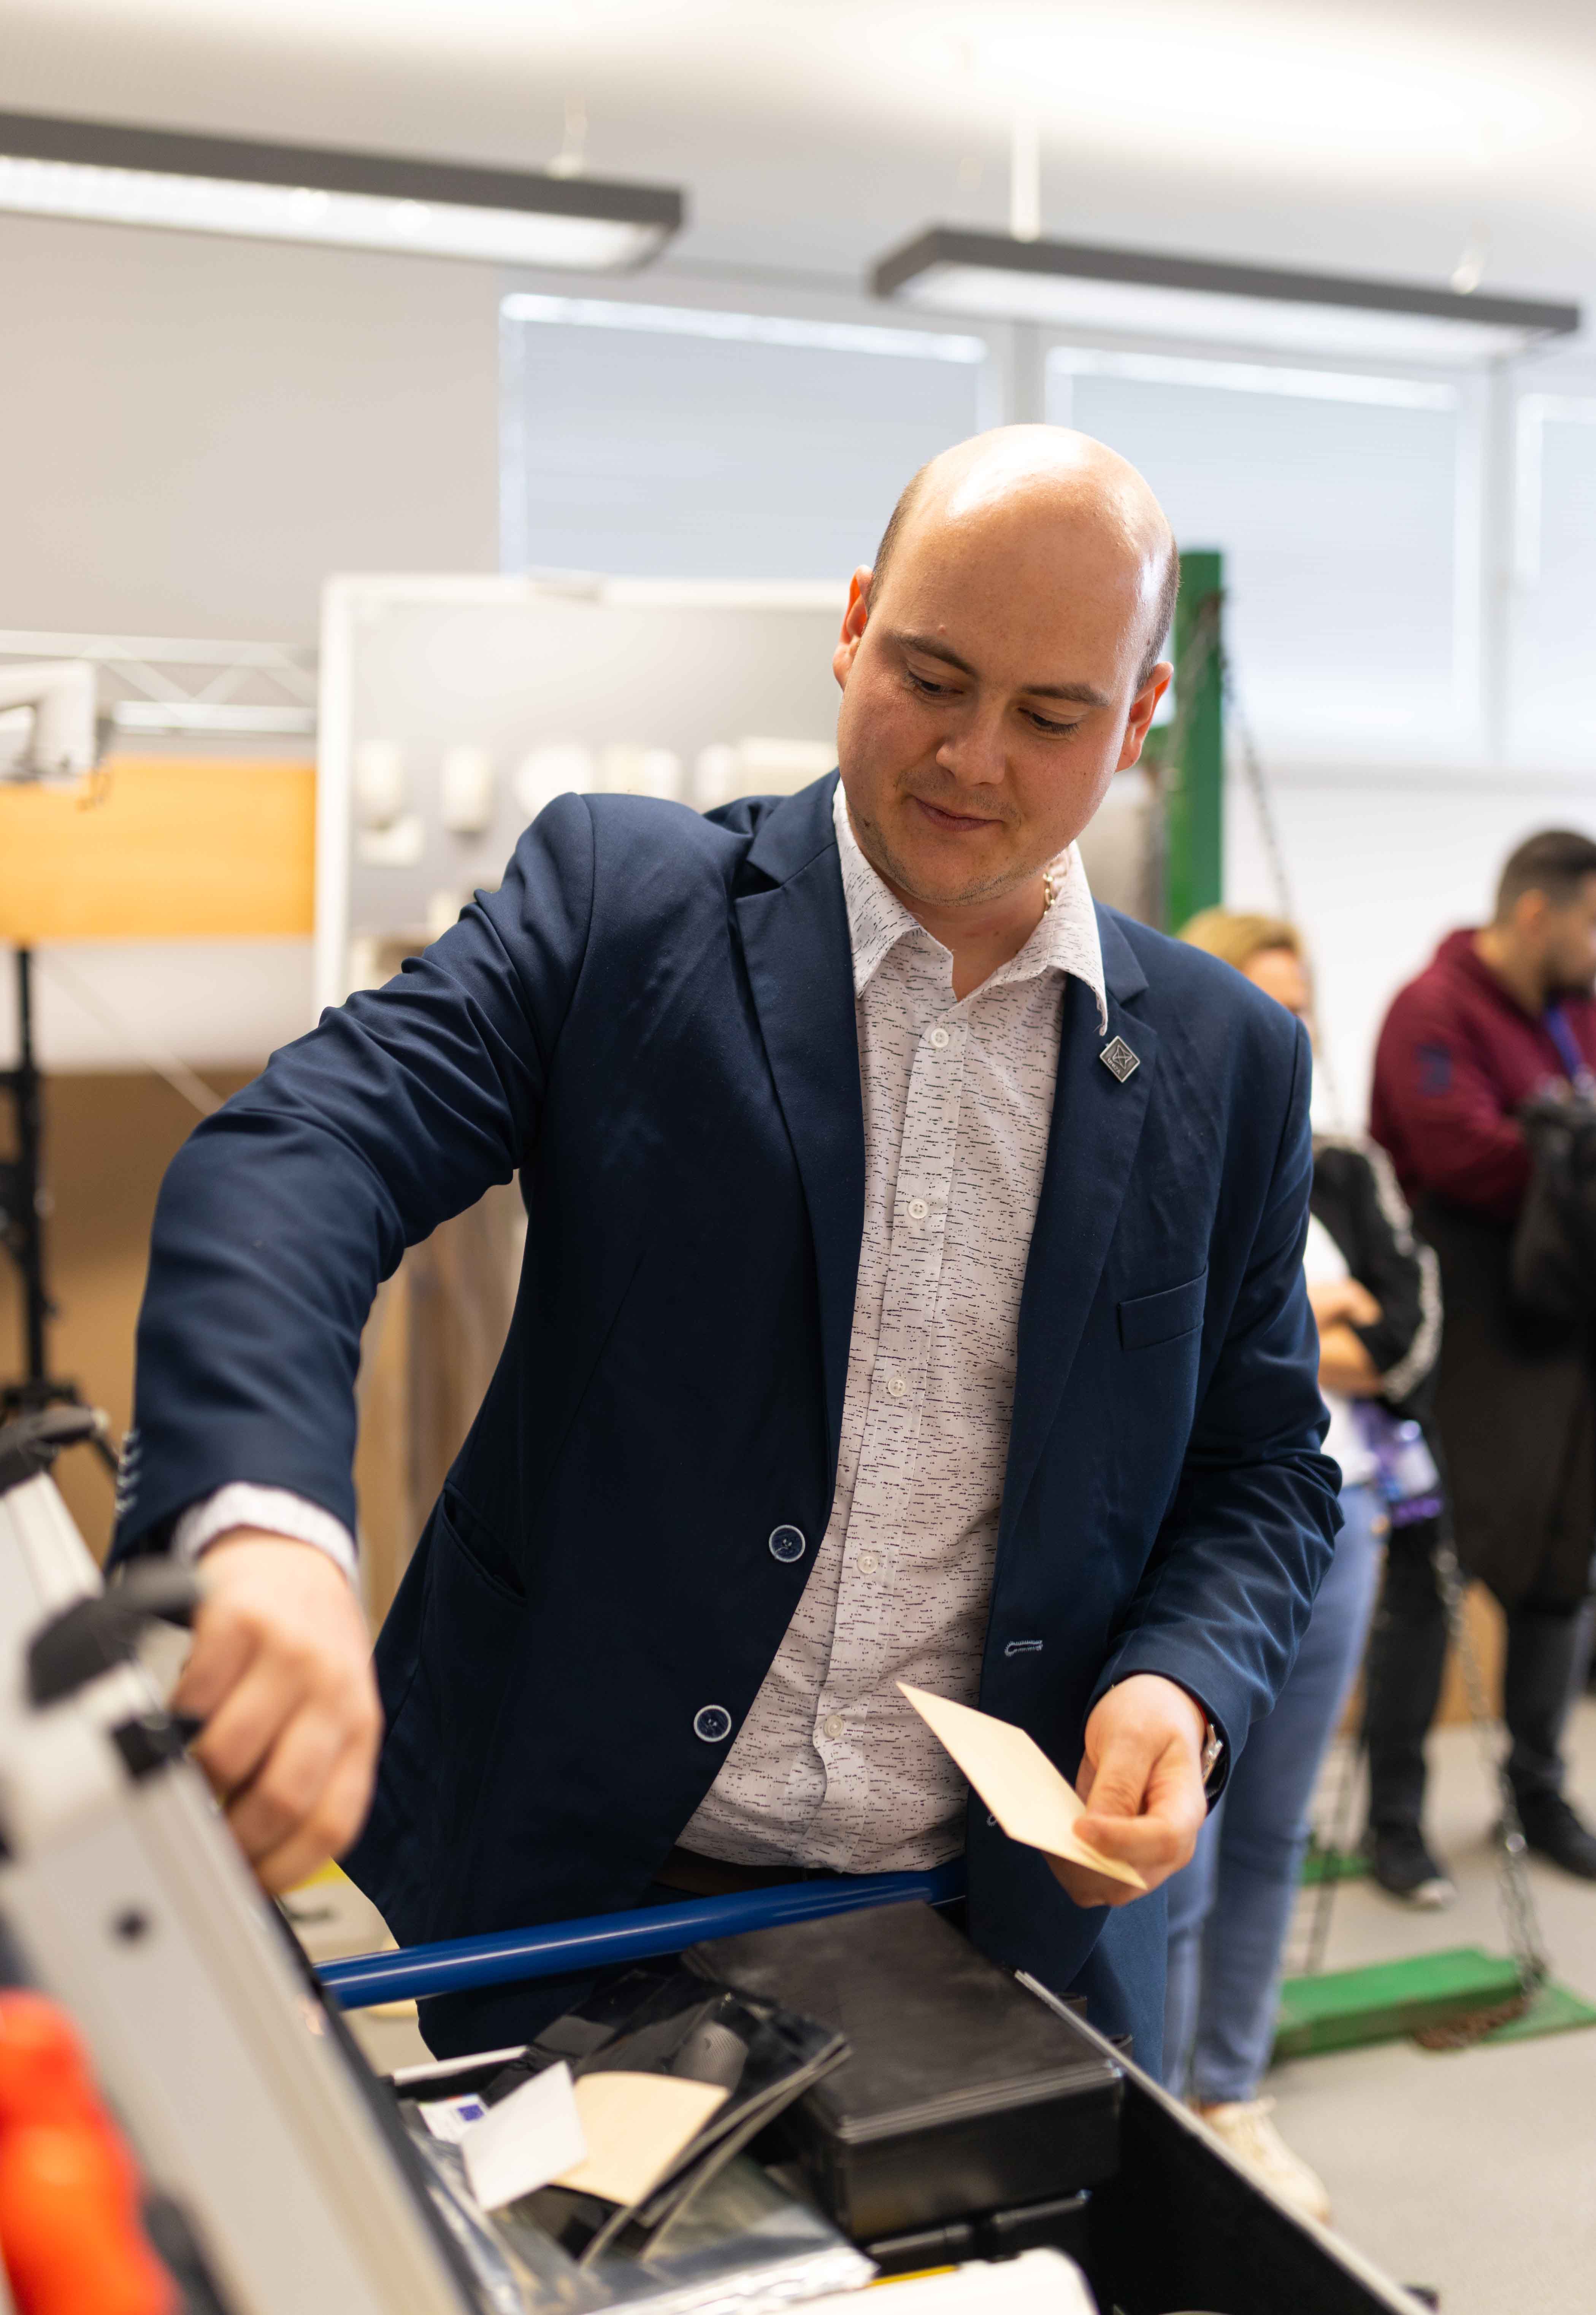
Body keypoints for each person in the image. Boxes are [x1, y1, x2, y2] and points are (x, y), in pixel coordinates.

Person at [111, 426, 1339, 2072]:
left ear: (1139, 718)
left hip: (996, 1927)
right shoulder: (624, 908)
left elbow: (1264, 1468)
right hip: (590, 1907)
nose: (972, 757)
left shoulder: (1227, 1059)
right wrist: (269, 1525)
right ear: (854, 625)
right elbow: (304, 1154)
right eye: (931, 676)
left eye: (1052, 717)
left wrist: (1179, 1682)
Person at [1164, 913, 1435, 2224]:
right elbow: (1185, 1348)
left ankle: (1231, 2092)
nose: (1289, 1024)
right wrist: (1315, 1322)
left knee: (1275, 1829)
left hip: (1347, 1522)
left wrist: (1306, 1326)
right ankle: (1159, 2110)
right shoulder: (1168, 1136)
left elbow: (1406, 1343)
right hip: (1208, 1541)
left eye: (1303, 1000)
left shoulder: (1343, 1164)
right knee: (1184, 1847)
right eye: (1260, 996)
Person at [1367, 830, 1596, 1891]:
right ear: (1537, 913)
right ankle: (1396, 1818)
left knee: (1561, 1570)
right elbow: (1459, 1154)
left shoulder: (1579, 1012)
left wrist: (1559, 1146)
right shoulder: (1433, 1010)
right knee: (1432, 1570)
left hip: (1568, 1340)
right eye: (1591, 922)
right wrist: (1565, 1152)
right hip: (1463, 1340)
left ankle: (1539, 1790)